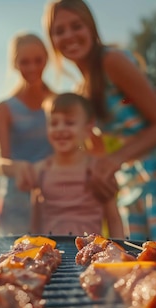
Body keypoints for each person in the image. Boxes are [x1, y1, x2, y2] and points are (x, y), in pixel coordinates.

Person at [43, 0, 156, 241]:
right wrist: (91, 167)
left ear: (91, 28)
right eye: (59, 31)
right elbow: (92, 144)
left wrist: (113, 160)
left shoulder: (111, 61)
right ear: (52, 40)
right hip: (135, 178)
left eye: (76, 26)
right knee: (148, 265)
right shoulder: (81, 90)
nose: (69, 35)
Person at [30, 92, 124, 238]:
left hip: (90, 254)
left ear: (88, 127)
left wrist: (119, 251)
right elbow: (35, 224)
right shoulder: (41, 170)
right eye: (54, 123)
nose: (60, 128)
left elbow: (114, 220)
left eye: (69, 123)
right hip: (52, 254)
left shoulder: (99, 170)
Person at [0, 33, 55, 234]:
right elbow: (2, 163)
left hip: (53, 198)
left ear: (47, 59)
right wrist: (19, 167)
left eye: (38, 60)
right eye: (24, 62)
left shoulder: (59, 103)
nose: (32, 68)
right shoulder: (4, 108)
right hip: (16, 202)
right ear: (14, 64)